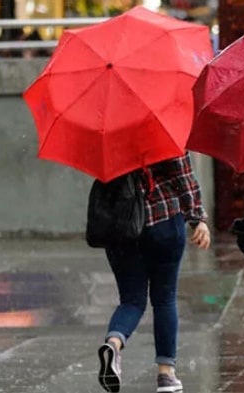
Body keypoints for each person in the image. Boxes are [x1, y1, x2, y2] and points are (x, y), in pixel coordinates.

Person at [97, 152, 211, 393]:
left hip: (122, 227)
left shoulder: (106, 134)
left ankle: (113, 345)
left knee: (131, 300)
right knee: (164, 299)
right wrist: (197, 217)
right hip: (164, 220)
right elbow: (183, 175)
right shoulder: (162, 127)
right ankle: (166, 375)